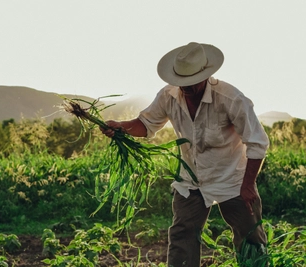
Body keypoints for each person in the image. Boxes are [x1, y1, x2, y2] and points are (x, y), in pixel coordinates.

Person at [100, 42, 269, 267]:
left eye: (191, 83)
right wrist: (121, 127)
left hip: (232, 180)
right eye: (181, 82)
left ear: (205, 75)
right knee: (182, 235)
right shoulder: (168, 96)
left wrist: (248, 186)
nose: (185, 87)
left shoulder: (230, 98)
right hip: (191, 181)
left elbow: (257, 143)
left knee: (250, 238)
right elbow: (146, 124)